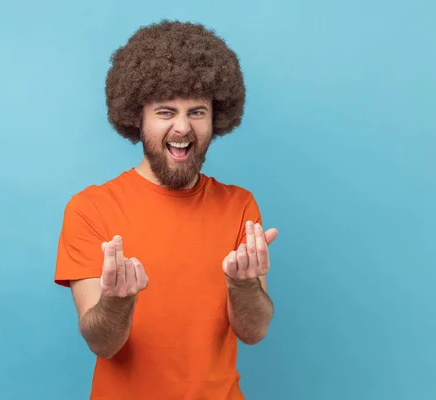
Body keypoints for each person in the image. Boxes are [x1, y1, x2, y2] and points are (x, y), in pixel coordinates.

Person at [54, 19, 278, 400]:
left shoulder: (240, 205)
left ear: (216, 118)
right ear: (136, 117)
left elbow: (254, 332)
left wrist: (243, 285)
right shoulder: (90, 209)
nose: (181, 128)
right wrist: (118, 301)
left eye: (196, 111)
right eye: (165, 112)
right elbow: (101, 343)